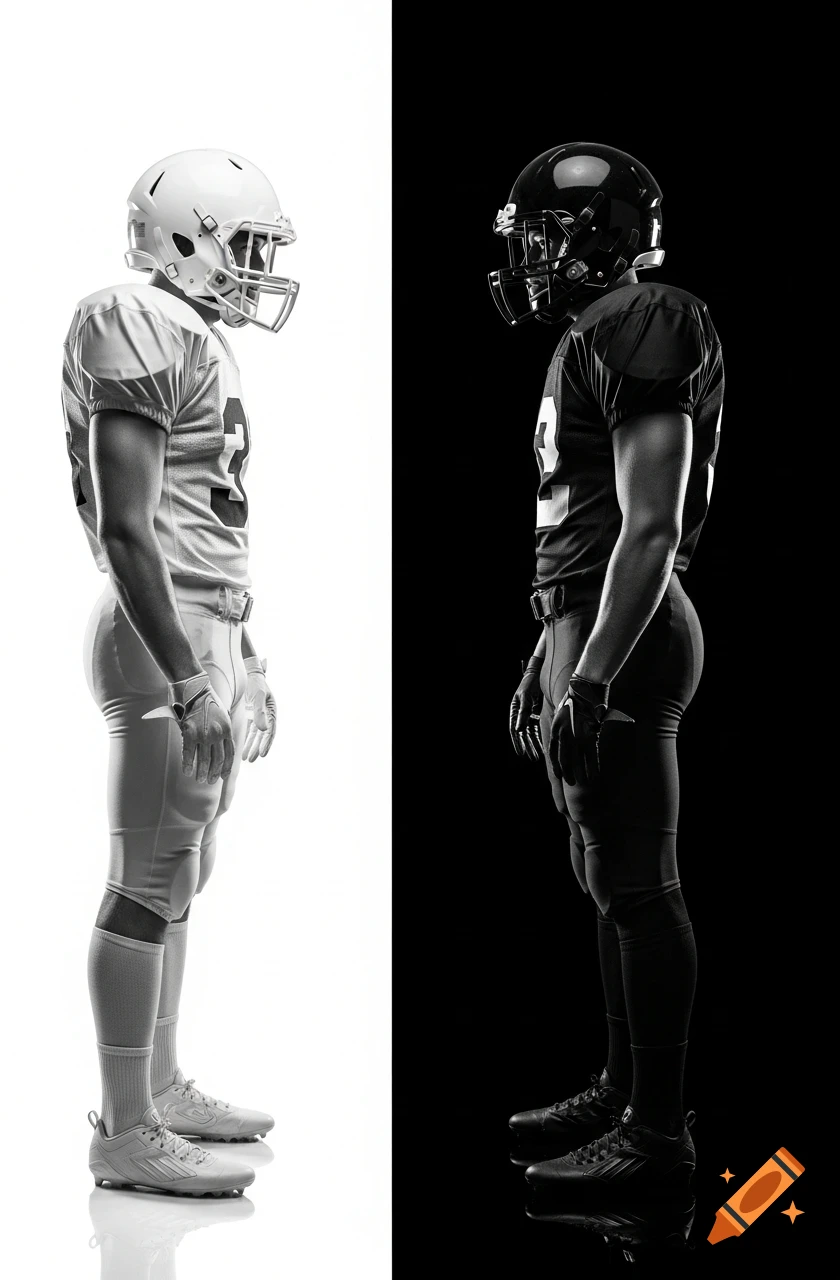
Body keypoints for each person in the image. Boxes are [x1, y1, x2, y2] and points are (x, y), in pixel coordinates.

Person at [62, 149, 298, 1195]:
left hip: (203, 629)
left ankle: (155, 1084)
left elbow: (199, 516)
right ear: (188, 237)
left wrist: (238, 648)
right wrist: (190, 674)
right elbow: (127, 525)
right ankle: (123, 1126)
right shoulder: (134, 319)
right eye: (245, 243)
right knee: (144, 881)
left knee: (182, 871)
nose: (256, 265)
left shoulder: (195, 334)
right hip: (162, 637)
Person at [491, 142, 723, 1192]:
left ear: (600, 239)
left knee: (638, 884)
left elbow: (646, 525)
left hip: (621, 633)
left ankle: (657, 1133)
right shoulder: (592, 334)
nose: (531, 257)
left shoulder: (645, 317)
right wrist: (546, 649)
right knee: (602, 880)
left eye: (544, 235)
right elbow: (580, 528)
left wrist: (586, 673)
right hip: (582, 626)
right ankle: (622, 1082)